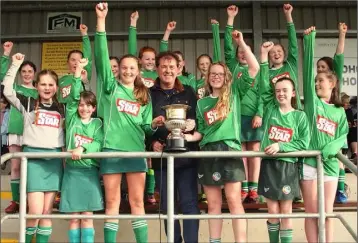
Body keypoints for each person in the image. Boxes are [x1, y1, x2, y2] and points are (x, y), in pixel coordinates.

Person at [94, 3, 163, 242]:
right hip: (111, 149)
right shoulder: (110, 87)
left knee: (137, 202)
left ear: (138, 71)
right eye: (124, 67)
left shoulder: (143, 95)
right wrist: (101, 21)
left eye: (132, 68)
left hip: (135, 151)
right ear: (118, 70)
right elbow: (102, 56)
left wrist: (153, 124)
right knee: (112, 202)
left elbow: (145, 128)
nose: (128, 71)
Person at [193, 30, 259, 243]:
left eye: (220, 73)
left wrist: (241, 43)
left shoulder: (234, 93)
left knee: (233, 200)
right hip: (208, 151)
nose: (216, 76)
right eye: (213, 73)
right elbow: (200, 133)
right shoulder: (201, 103)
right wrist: (183, 135)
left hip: (230, 149)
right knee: (213, 204)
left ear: (226, 76)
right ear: (207, 76)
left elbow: (255, 68)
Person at [3, 53, 65, 243]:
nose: (47, 88)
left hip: (54, 160)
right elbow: (6, 90)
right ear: (36, 86)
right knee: (35, 211)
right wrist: (15, 65)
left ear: (56, 87)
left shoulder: (62, 107)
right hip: (33, 160)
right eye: (43, 84)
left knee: (47, 212)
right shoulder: (28, 102)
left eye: (51, 84)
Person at [259, 41, 309, 243]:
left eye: (285, 90)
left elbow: (303, 143)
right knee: (272, 209)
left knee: (286, 209)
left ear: (293, 93)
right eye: (278, 90)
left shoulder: (299, 116)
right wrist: (263, 56)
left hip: (288, 167)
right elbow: (264, 85)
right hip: (269, 165)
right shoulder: (270, 109)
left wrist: (281, 146)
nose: (281, 93)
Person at [302, 26, 348, 243]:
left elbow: (344, 133)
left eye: (322, 80)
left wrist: (332, 147)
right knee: (311, 212)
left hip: (329, 164)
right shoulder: (312, 104)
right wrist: (310, 41)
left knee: (327, 212)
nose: (317, 83)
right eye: (316, 81)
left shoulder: (338, 111)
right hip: (311, 163)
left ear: (333, 83)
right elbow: (307, 72)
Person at [149, 51, 200, 243]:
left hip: (187, 157)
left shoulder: (189, 92)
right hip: (161, 158)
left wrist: (192, 125)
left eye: (171, 67)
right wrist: (151, 142)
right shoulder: (149, 94)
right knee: (167, 205)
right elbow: (144, 125)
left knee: (189, 203)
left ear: (179, 69)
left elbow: (198, 121)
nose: (167, 71)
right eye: (163, 66)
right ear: (157, 69)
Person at [59, 58, 104, 243]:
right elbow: (73, 96)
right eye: (81, 105)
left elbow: (98, 142)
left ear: (93, 108)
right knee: (74, 217)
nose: (83, 108)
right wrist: (78, 71)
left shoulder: (97, 123)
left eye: (88, 105)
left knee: (87, 216)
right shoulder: (72, 119)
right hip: (72, 172)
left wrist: (82, 147)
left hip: (89, 172)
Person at [224, 5, 263, 202]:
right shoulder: (233, 67)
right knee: (242, 154)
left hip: (254, 116)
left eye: (245, 51)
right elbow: (227, 48)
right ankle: (245, 186)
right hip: (237, 117)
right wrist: (230, 19)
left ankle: (254, 188)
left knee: (254, 152)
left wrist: (259, 113)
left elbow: (263, 94)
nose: (241, 54)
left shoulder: (257, 71)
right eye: (239, 51)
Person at [1, 42, 39, 214]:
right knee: (15, 167)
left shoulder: (39, 91)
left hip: (33, 133)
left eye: (30, 71)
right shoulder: (13, 88)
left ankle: (31, 200)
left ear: (34, 73)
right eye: (23, 71)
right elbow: (3, 79)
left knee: (31, 167)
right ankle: (16, 201)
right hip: (15, 129)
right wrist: (6, 55)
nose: (26, 74)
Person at [316, 22, 348, 203]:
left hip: (336, 121)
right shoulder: (316, 88)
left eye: (323, 67)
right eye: (318, 67)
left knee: (339, 155)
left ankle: (341, 189)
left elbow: (339, 56)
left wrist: (342, 35)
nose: (320, 69)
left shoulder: (335, 79)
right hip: (322, 127)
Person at [268, 4, 302, 110]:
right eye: (272, 52)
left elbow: (293, 44)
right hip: (277, 112)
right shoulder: (267, 73)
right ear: (269, 57)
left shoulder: (291, 65)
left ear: (284, 53)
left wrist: (288, 16)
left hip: (295, 109)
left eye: (279, 51)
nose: (276, 54)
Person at [58, 24, 92, 104]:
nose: (76, 63)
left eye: (79, 60)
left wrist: (84, 35)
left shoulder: (84, 75)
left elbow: (88, 56)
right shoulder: (61, 80)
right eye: (73, 60)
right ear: (68, 62)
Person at [0, 86, 10, 170]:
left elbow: (6, 126)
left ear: (5, 104)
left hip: (4, 135)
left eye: (1, 102)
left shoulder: (8, 113)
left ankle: (3, 162)